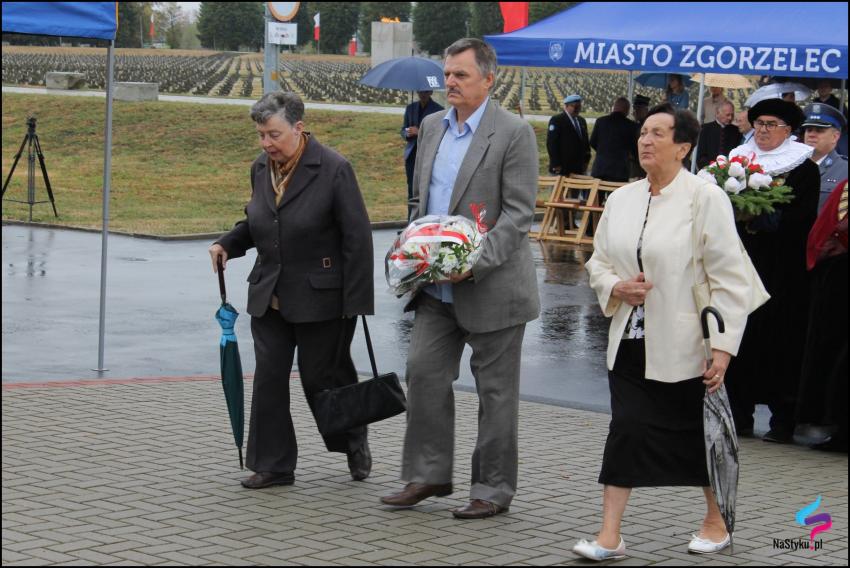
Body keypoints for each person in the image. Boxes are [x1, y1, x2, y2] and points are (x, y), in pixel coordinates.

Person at [577, 103, 758, 560]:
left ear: (683, 147)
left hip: (685, 345)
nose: (646, 140)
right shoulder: (622, 198)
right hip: (629, 342)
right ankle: (609, 535)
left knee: (695, 435)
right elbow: (597, 261)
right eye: (643, 132)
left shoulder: (704, 197)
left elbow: (731, 277)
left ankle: (716, 523)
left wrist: (722, 348)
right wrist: (616, 285)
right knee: (626, 429)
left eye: (659, 133)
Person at [380, 38, 540, 519]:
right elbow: (420, 202)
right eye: (447, 74)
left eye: (461, 75)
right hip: (435, 288)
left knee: (495, 396)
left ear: (488, 80)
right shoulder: (430, 127)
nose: (449, 81)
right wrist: (409, 244)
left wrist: (474, 261)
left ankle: (491, 489)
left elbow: (517, 215)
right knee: (424, 374)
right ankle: (427, 475)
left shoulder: (513, 133)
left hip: (493, 288)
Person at [208, 92, 375, 489]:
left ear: (298, 128)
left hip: (323, 299)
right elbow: (258, 220)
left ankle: (353, 440)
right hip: (270, 297)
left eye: (274, 135)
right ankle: (274, 465)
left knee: (323, 382)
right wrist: (227, 243)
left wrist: (355, 305)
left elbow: (357, 238)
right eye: (261, 135)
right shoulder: (260, 168)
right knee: (268, 378)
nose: (267, 144)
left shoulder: (334, 168)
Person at [724, 98, 820, 443]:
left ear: (788, 131)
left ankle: (783, 421)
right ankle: (738, 414)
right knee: (740, 339)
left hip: (781, 270)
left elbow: (802, 218)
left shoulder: (802, 168)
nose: (763, 130)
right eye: (759, 123)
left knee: (780, 345)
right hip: (741, 263)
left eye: (771, 125)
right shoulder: (739, 160)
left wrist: (760, 217)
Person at [797, 180, 848, 452]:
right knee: (831, 353)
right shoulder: (844, 187)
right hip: (839, 278)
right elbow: (824, 228)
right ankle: (835, 424)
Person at [402, 90, 444, 220]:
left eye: (425, 91)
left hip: (428, 156)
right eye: (420, 91)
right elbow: (403, 130)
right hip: (412, 156)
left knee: (426, 189)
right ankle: (411, 221)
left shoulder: (439, 110)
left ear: (430, 92)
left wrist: (419, 131)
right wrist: (406, 133)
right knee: (412, 190)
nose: (423, 94)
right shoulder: (410, 108)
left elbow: (439, 134)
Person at [801, 102, 848, 211]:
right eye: (809, 130)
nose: (811, 134)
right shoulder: (791, 166)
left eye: (819, 130)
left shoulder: (845, 171)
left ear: (835, 137)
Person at [591, 97, 637, 182]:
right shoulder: (631, 126)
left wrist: (603, 151)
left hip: (600, 168)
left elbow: (592, 142)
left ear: (614, 107)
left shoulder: (600, 121)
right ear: (627, 110)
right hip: (620, 171)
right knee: (616, 195)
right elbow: (634, 147)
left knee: (597, 194)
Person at [547, 94, 590, 176]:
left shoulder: (581, 121)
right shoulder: (557, 120)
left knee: (577, 188)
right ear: (566, 106)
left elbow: (585, 142)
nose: (576, 109)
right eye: (573, 106)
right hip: (562, 167)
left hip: (578, 167)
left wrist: (586, 160)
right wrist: (556, 164)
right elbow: (552, 143)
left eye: (578, 106)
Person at [695, 100, 740, 169]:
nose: (730, 118)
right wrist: (711, 168)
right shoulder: (705, 129)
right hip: (709, 170)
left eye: (732, 115)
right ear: (717, 113)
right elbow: (701, 156)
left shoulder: (736, 131)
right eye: (727, 115)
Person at [630, 94, 651, 179]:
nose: (635, 112)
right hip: (636, 165)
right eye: (635, 109)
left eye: (638, 109)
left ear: (645, 110)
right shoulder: (637, 124)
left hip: (642, 166)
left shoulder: (648, 124)